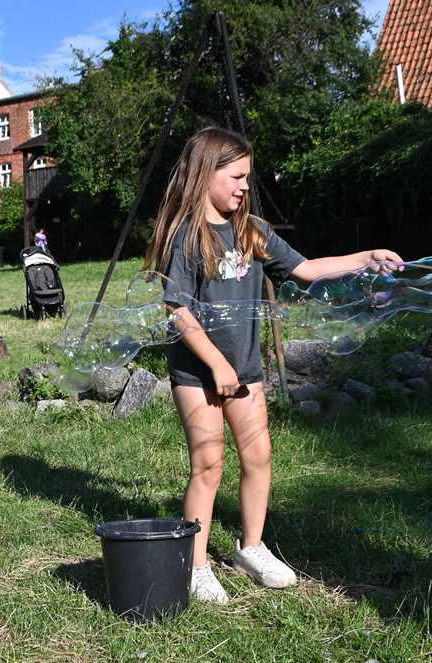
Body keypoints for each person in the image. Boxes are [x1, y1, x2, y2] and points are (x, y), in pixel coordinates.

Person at [143, 127, 402, 604]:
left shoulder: (253, 232)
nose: (245, 185)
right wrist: (217, 364)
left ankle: (252, 547)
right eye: (236, 176)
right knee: (208, 465)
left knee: (258, 458)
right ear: (206, 174)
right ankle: (196, 565)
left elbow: (306, 270)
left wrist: (365, 257)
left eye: (248, 177)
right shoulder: (185, 237)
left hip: (246, 372)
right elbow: (176, 311)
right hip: (198, 376)